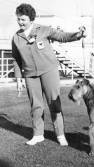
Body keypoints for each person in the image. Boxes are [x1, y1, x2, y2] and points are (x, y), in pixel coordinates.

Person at [12, 3, 86, 146]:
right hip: (30, 74)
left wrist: (78, 35)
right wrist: (18, 78)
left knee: (54, 103)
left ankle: (60, 135)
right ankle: (38, 134)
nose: (20, 22)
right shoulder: (16, 37)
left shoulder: (43, 30)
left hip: (49, 71)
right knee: (36, 106)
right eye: (18, 19)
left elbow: (62, 36)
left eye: (23, 19)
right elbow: (16, 58)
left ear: (31, 19)